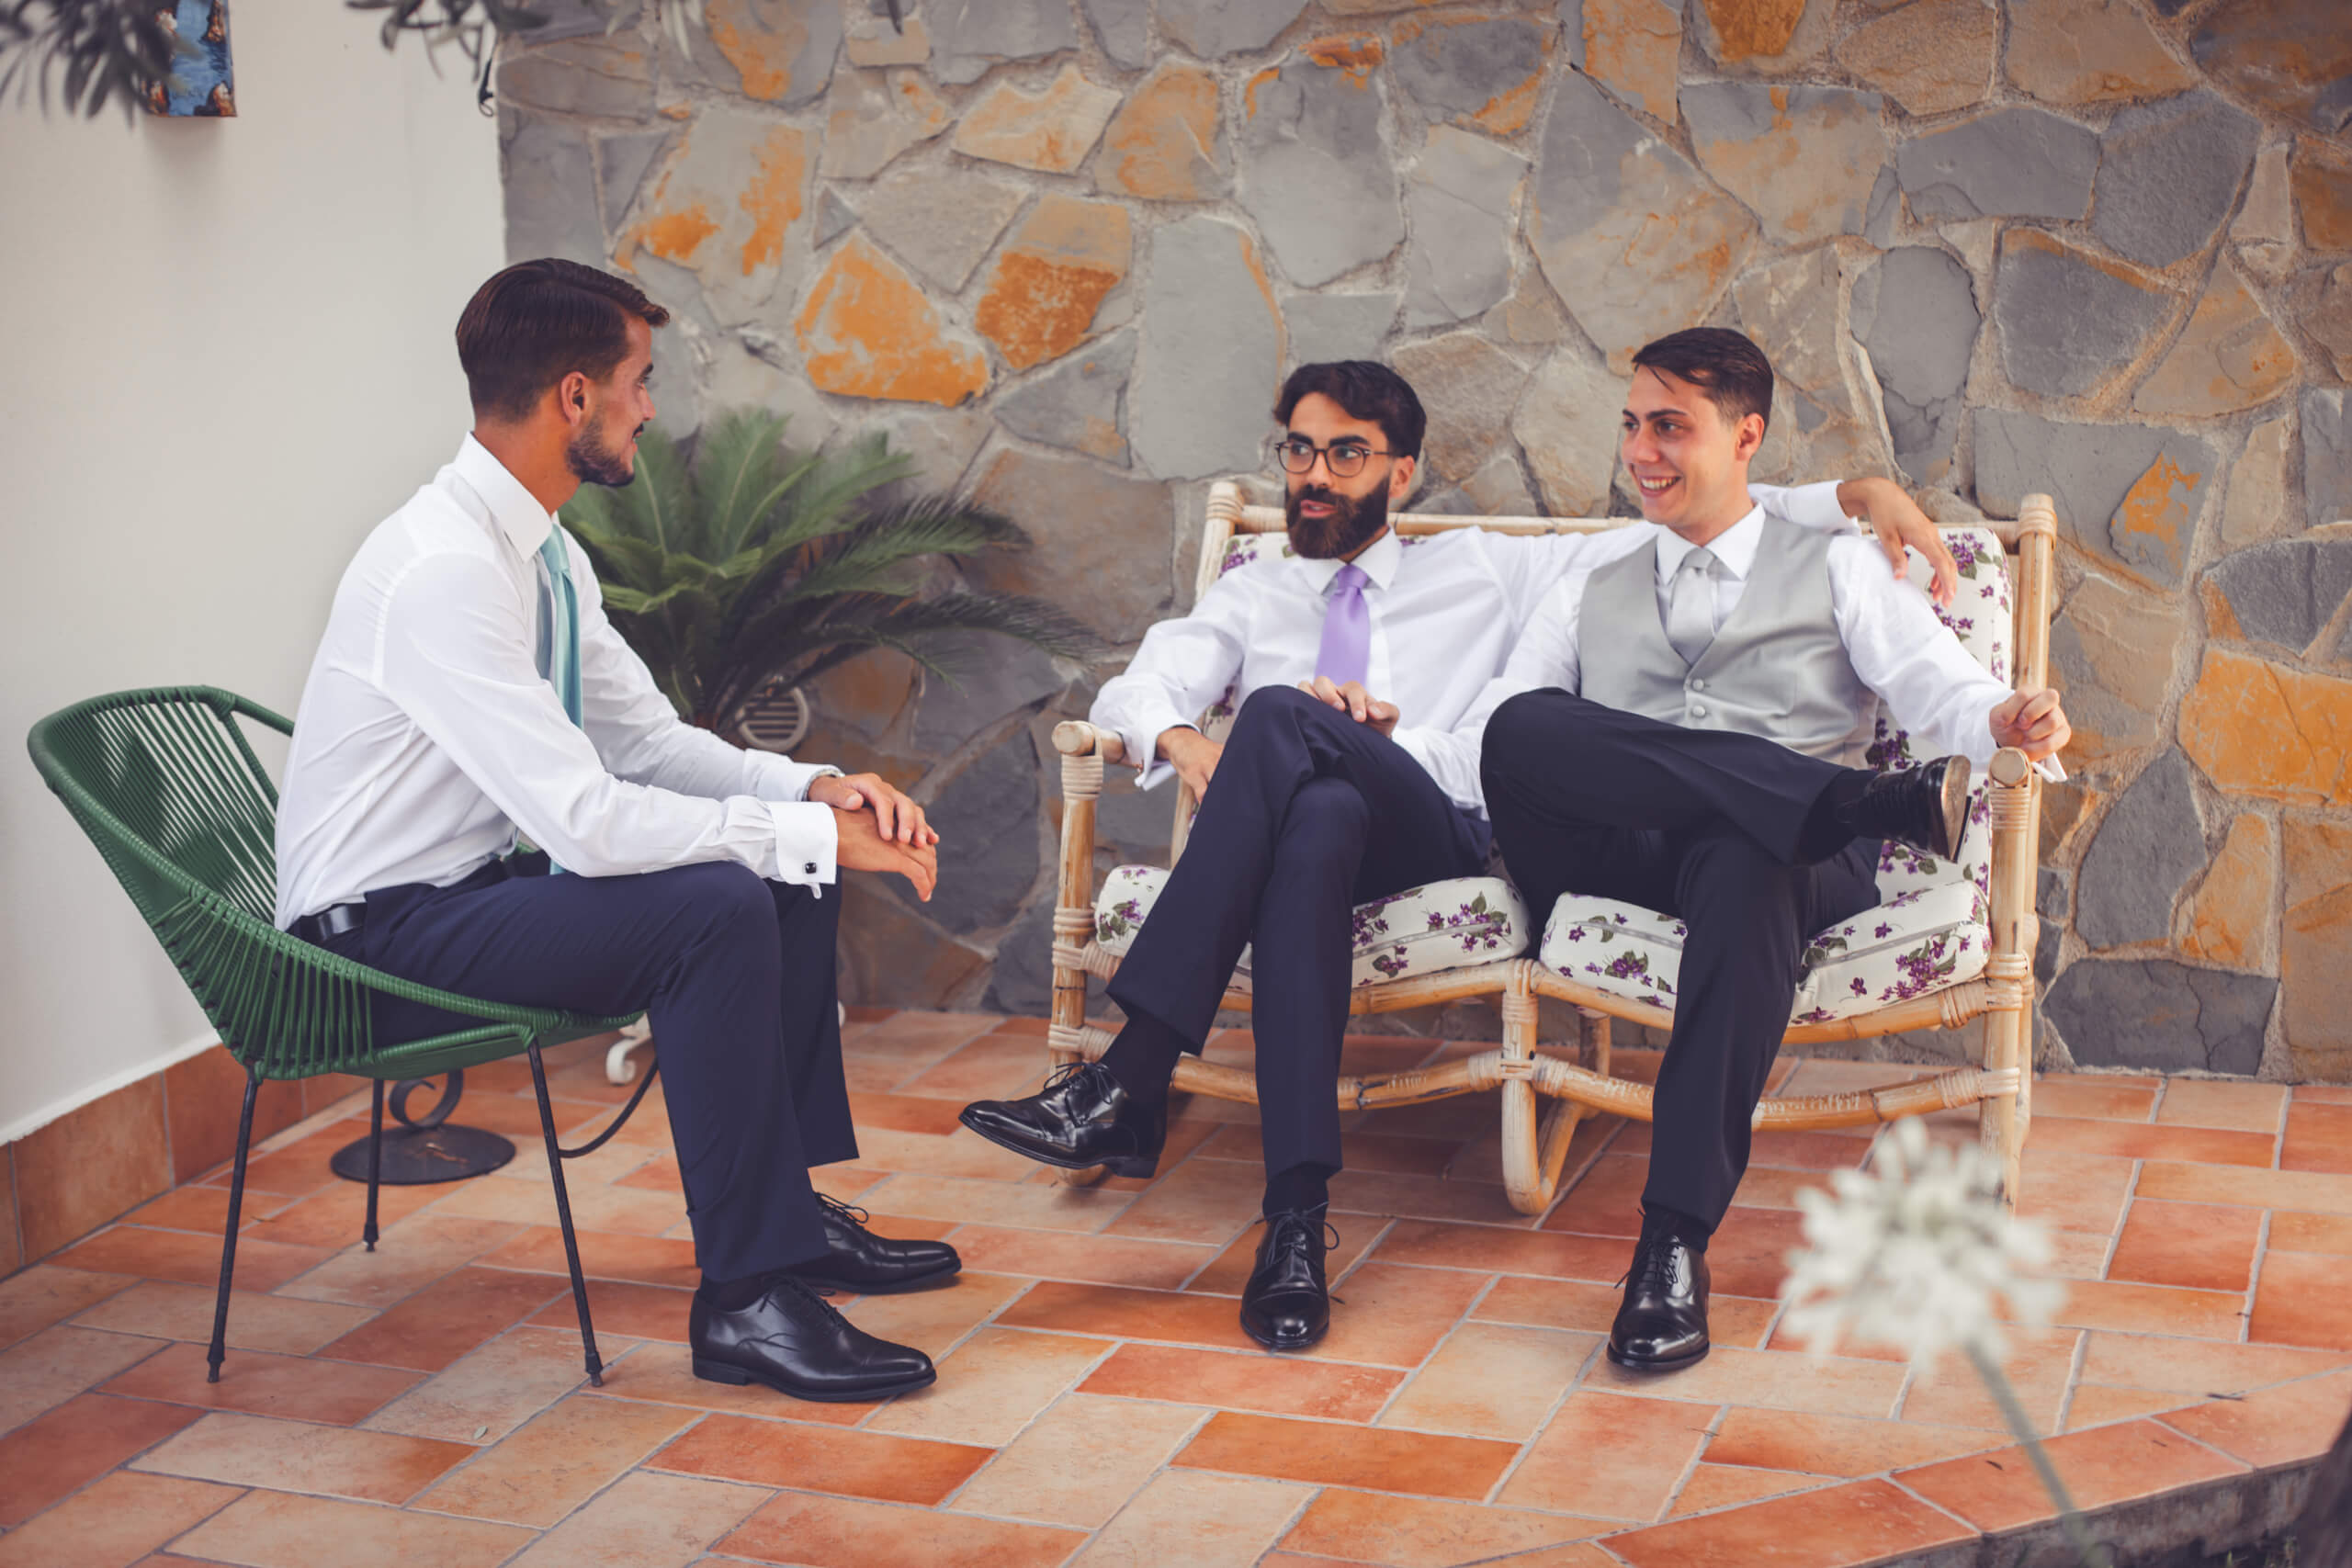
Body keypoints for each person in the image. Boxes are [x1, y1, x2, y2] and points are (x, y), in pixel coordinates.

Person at [959, 358, 1963, 1352]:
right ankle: (1294, 1230)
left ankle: (1132, 1076)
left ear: (1400, 472)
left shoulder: (1488, 564)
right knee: (1306, 790)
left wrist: (1849, 495)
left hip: (1433, 819)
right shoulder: (1250, 591)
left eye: (1346, 454)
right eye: (1299, 451)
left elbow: (1703, 511)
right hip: (1304, 835)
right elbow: (1137, 690)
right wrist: (1185, 744)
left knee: (1321, 718)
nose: (1314, 476)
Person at [274, 258, 956, 1404]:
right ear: (575, 396)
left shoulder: (538, 548)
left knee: (778, 871)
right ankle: (745, 1301)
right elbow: (587, 823)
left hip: (465, 901)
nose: (650, 407)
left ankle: (783, 1227)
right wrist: (791, 836)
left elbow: (642, 740)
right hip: (367, 952)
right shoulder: (443, 572)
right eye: (640, 381)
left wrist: (814, 792)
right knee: (719, 902)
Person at [1473, 327, 2071, 1372]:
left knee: (1748, 850)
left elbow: (1936, 683)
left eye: (1671, 427)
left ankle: (1671, 1244)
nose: (1641, 452)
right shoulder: (1590, 578)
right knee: (1520, 727)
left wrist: (2006, 718)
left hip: (1774, 868)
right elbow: (1507, 739)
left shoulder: (1836, 563)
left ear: (1746, 436)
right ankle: (1848, 801)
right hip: (1623, 854)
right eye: (1632, 425)